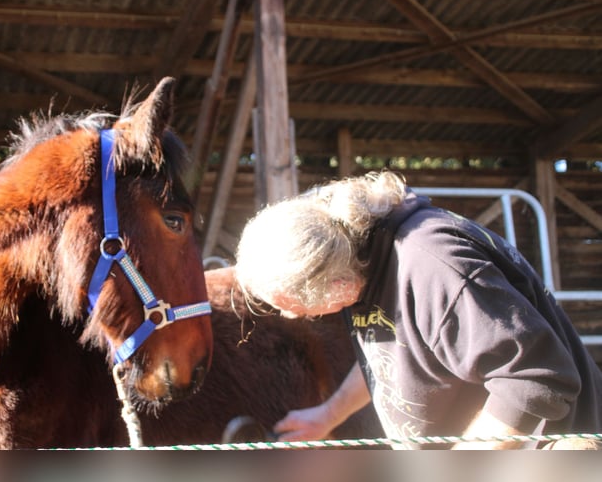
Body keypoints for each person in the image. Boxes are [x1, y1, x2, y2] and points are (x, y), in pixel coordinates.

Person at [234, 170, 602, 449]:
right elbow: (390, 353)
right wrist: (328, 414)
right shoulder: (355, 258)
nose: (291, 316)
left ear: (338, 286)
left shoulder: (436, 267)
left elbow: (535, 379)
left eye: (292, 306)